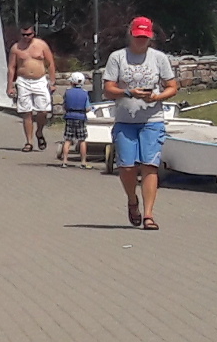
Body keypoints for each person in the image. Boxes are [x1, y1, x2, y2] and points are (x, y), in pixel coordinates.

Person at [102, 16, 181, 229]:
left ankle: (149, 215)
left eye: (145, 37)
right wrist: (128, 92)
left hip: (152, 120)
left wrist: (157, 97)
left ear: (151, 37)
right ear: (131, 34)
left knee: (149, 165)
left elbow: (172, 87)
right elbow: (108, 89)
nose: (141, 40)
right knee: (127, 167)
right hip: (125, 120)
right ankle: (132, 200)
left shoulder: (159, 58)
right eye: (138, 36)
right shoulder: (118, 57)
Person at [9, 27, 60, 150]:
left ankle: (39, 131)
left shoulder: (41, 45)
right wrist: (10, 85)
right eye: (23, 35)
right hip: (23, 81)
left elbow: (50, 63)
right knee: (26, 112)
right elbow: (11, 67)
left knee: (43, 110)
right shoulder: (16, 48)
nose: (26, 37)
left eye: (28, 34)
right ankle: (29, 142)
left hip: (39, 80)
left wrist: (52, 81)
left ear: (33, 33)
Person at [58, 72, 91, 165]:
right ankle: (83, 161)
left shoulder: (68, 92)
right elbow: (88, 108)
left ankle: (65, 160)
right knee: (82, 140)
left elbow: (64, 105)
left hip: (69, 116)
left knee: (68, 139)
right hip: (81, 117)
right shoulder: (85, 93)